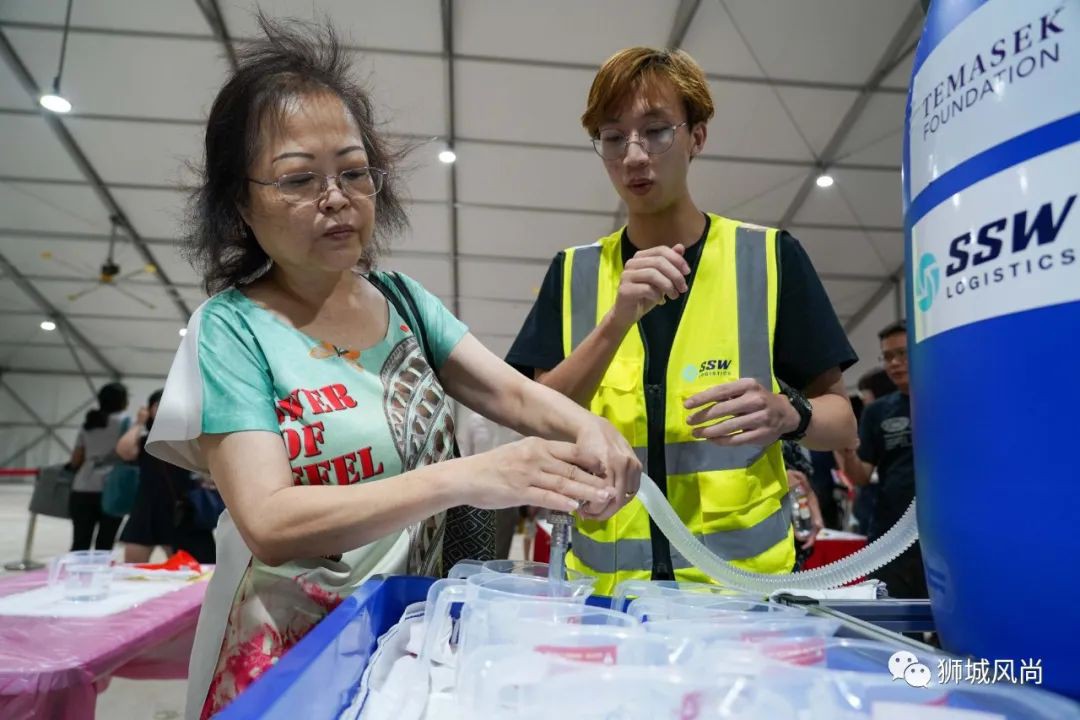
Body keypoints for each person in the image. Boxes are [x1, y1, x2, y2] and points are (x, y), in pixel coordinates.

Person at [144, 18, 639, 718]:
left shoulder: (405, 303)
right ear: (239, 204)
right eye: (298, 179)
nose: (336, 197)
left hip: (407, 633)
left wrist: (591, 428)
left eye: (353, 172)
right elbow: (271, 521)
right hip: (295, 649)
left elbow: (513, 394)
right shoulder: (231, 330)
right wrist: (469, 476)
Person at [507, 47, 858, 594]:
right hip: (608, 597)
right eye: (613, 136)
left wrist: (789, 413)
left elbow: (844, 421)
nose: (635, 155)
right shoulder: (573, 274)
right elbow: (535, 418)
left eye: (656, 131)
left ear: (697, 136)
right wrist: (616, 320)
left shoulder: (767, 259)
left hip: (742, 597)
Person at [837, 320, 926, 598]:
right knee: (896, 618)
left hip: (944, 533)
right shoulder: (877, 412)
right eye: (888, 356)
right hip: (892, 533)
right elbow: (861, 476)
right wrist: (844, 448)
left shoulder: (950, 402)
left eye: (902, 354)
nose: (895, 363)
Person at [117, 390, 216, 564]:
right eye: (158, 405)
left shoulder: (192, 439)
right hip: (147, 507)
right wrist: (139, 423)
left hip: (182, 508)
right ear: (149, 410)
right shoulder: (144, 440)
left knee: (187, 567)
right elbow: (124, 451)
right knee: (133, 564)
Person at [66, 382, 129, 551]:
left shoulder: (89, 422)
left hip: (82, 486)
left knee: (80, 542)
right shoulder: (126, 422)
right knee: (105, 543)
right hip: (112, 487)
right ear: (123, 401)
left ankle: (77, 576)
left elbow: (76, 459)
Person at [845, 367, 898, 535]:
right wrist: (848, 450)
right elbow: (861, 475)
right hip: (886, 508)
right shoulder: (872, 417)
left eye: (865, 396)